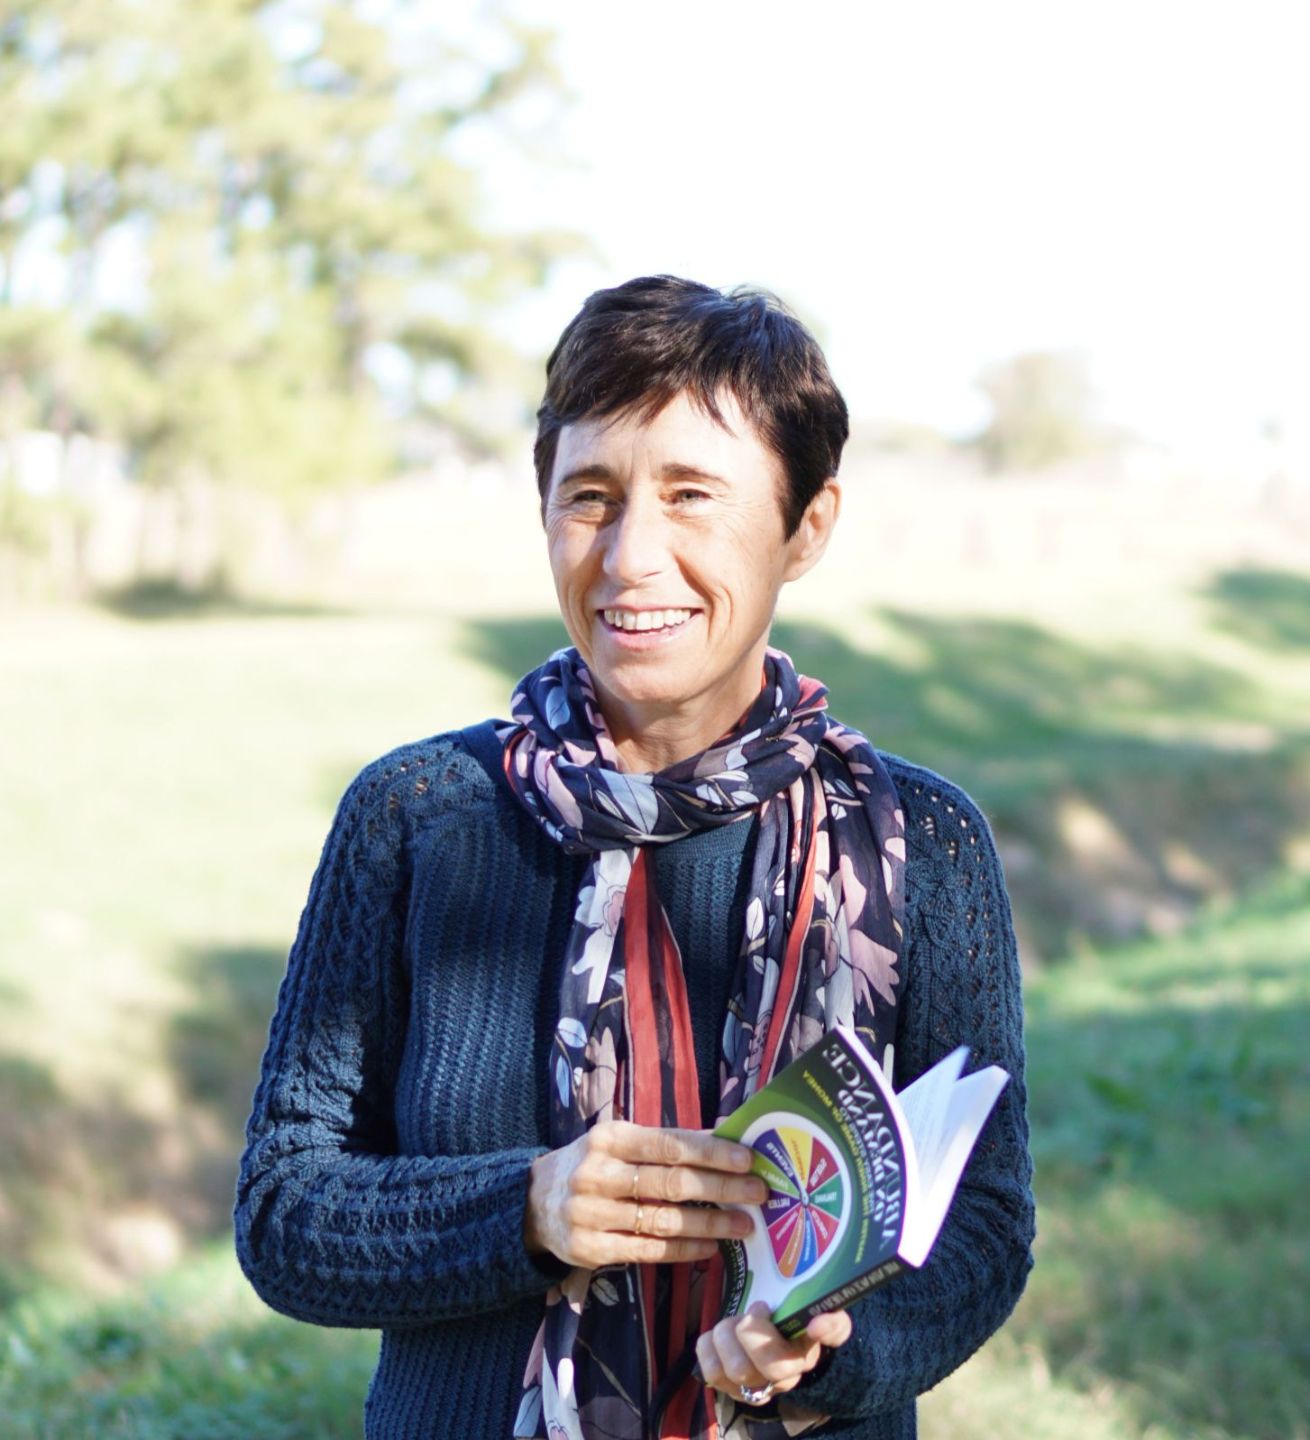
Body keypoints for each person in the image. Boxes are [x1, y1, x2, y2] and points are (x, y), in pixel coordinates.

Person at [234, 274, 1035, 1440]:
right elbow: (283, 1211)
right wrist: (524, 1208)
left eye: (691, 496)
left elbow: (984, 1225)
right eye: (590, 497)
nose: (628, 557)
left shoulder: (922, 841)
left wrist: (836, 1354)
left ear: (805, 526)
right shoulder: (415, 817)